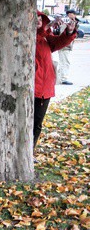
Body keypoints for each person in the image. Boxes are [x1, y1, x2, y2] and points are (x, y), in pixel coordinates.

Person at [34, 11, 77, 147]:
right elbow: (33, 40)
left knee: (37, 123)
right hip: (33, 87)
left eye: (41, 19)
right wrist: (45, 29)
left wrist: (69, 32)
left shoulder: (46, 37)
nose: (39, 21)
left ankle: (29, 151)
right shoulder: (29, 37)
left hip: (44, 88)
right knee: (28, 123)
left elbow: (58, 42)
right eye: (36, 18)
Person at [56, 9, 79, 85]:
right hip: (64, 46)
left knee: (64, 62)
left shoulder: (74, 22)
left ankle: (58, 77)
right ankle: (63, 79)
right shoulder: (66, 23)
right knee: (65, 62)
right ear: (68, 15)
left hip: (67, 46)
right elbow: (62, 33)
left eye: (74, 14)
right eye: (71, 14)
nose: (73, 15)